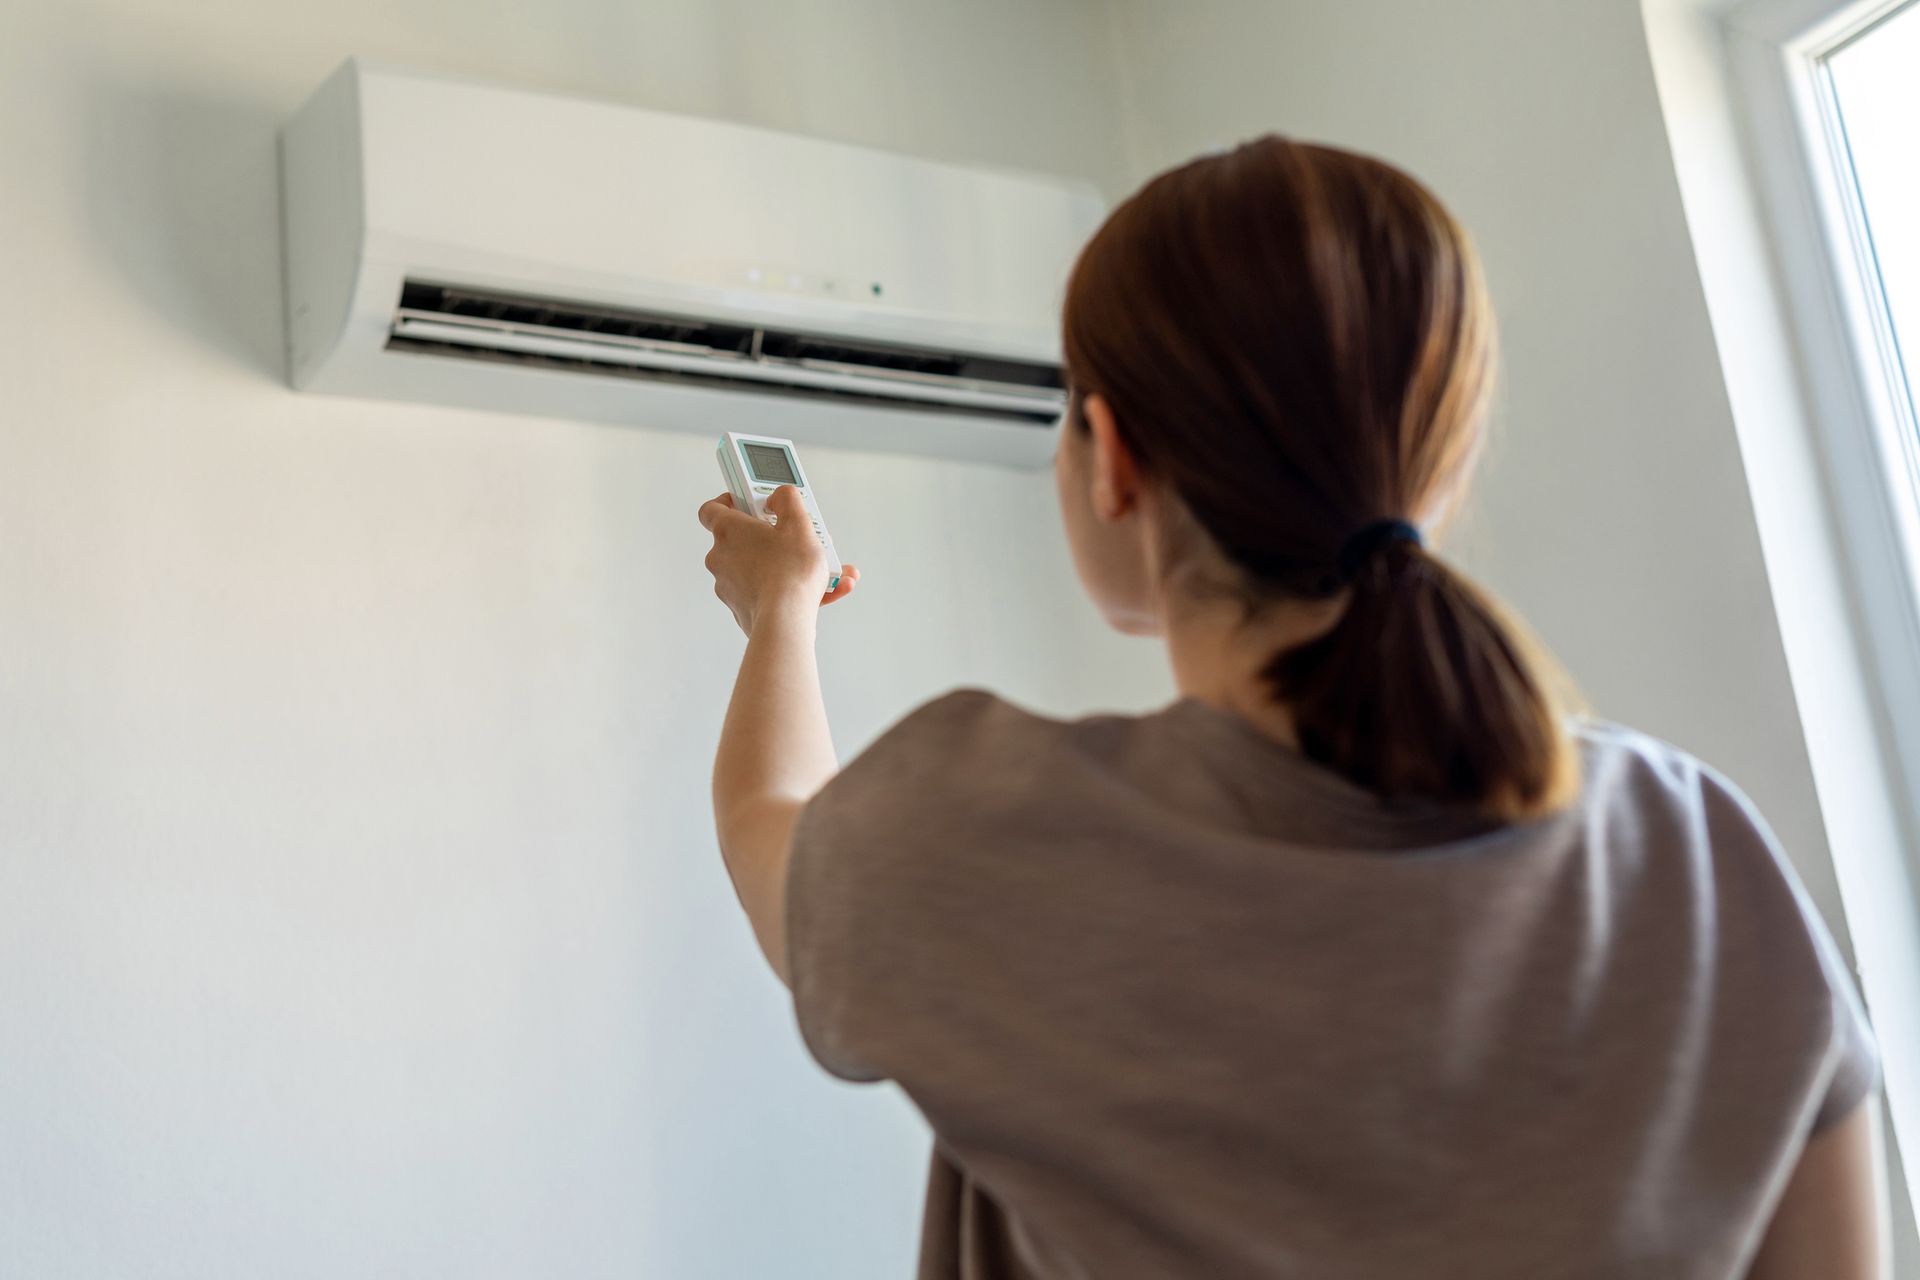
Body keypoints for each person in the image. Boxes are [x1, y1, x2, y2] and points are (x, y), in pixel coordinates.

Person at [695, 136, 1888, 1279]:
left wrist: (782, 607)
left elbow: (770, 822)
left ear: (1111, 456)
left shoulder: (997, 833)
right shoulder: (1696, 851)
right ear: (1439, 458)